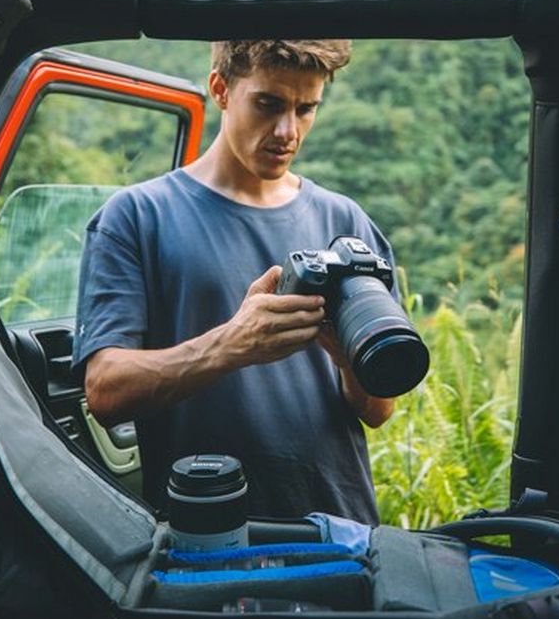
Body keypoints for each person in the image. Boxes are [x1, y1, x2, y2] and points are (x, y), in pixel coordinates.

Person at [72, 40, 398, 524]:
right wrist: (232, 344)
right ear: (221, 89)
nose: (288, 131)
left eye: (306, 109)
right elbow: (105, 391)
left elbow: (378, 409)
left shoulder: (345, 222)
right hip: (206, 530)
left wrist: (345, 358)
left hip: (338, 528)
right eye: (268, 104)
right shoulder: (135, 217)